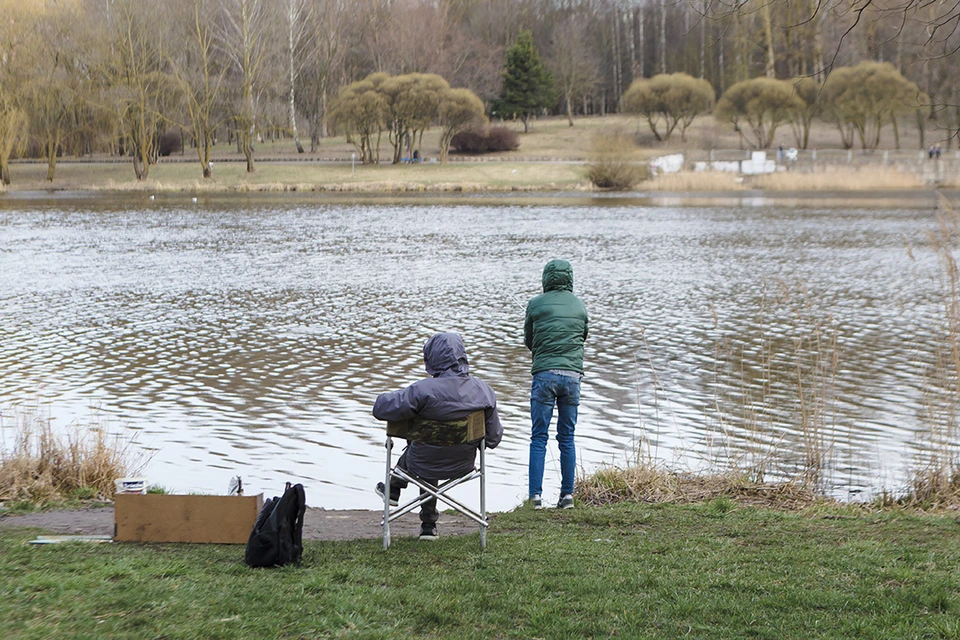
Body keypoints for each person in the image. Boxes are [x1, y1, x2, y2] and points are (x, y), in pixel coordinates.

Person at [373, 332, 502, 540]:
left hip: (421, 462)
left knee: (425, 448)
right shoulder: (483, 391)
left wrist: (387, 396)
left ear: (431, 357)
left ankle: (395, 487)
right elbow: (494, 438)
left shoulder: (420, 390)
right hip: (462, 464)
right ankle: (427, 526)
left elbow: (380, 409)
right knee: (432, 448)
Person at [524, 259, 588, 510]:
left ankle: (535, 498)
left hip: (544, 376)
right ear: (569, 278)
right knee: (567, 437)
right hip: (572, 377)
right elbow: (583, 336)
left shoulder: (535, 304)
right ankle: (567, 496)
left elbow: (529, 340)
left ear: (546, 278)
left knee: (539, 436)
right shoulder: (579, 305)